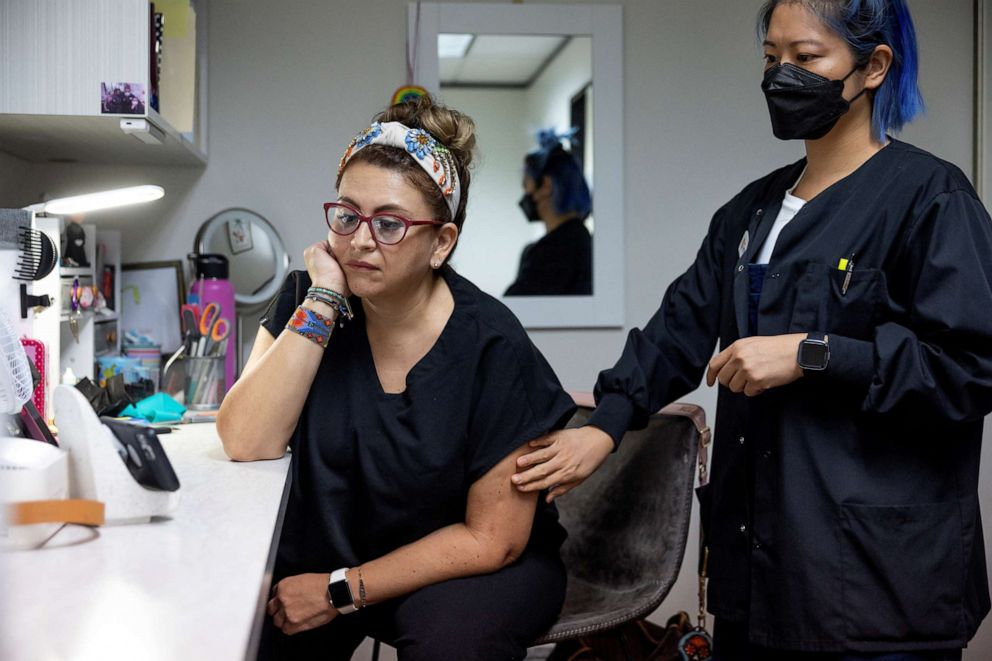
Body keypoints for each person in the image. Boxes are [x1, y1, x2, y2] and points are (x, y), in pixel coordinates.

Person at [512, 1, 992, 658]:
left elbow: (969, 369)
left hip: (881, 586)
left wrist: (814, 353)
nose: (780, 76)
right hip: (761, 575)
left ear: (873, 65)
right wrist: (605, 423)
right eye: (771, 59)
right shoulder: (749, 214)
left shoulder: (931, 199)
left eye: (805, 58)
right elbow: (677, 331)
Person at [217, 96, 575, 660]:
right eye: (347, 216)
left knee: (448, 645)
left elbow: (493, 539)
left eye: (389, 224)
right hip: (338, 545)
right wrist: (324, 300)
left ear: (441, 243)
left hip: (464, 566)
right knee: (236, 628)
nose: (359, 241)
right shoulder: (309, 302)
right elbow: (245, 440)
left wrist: (339, 591)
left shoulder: (493, 347)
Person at [504, 130, 593, 296]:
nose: (525, 192)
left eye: (526, 183)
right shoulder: (585, 241)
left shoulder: (551, 252)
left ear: (546, 185)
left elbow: (511, 309)